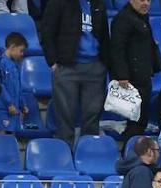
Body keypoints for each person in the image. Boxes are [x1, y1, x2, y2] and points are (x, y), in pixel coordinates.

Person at [38, 0, 110, 145]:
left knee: (92, 116)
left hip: (95, 67)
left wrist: (106, 63)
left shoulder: (98, 4)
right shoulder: (57, 3)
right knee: (65, 117)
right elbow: (47, 31)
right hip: (67, 67)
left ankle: (88, 153)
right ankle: (66, 156)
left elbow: (104, 36)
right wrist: (52, 61)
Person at [111, 0, 161, 140]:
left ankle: (134, 154)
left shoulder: (142, 16)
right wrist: (122, 75)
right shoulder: (123, 19)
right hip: (131, 80)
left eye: (148, 0)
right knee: (135, 122)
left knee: (141, 121)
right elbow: (117, 49)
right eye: (141, 0)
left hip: (144, 76)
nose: (146, 3)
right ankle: (130, 155)